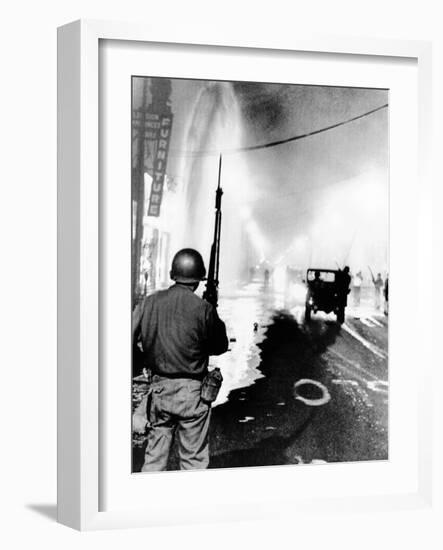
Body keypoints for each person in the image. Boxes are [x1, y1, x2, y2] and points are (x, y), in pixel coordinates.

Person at [133, 248, 229, 471]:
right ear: (197, 280)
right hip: (192, 396)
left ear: (173, 274)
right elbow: (220, 346)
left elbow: (126, 340)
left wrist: (147, 360)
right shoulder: (203, 309)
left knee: (154, 460)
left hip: (158, 391)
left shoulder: (149, 302)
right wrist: (212, 310)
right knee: (193, 462)